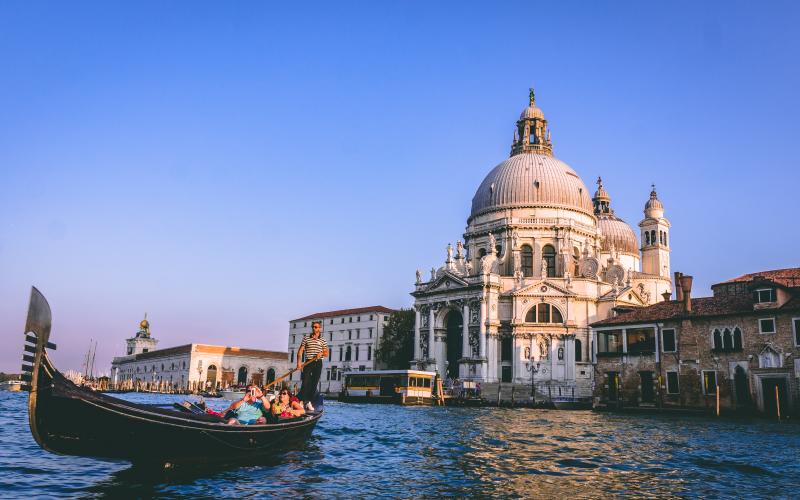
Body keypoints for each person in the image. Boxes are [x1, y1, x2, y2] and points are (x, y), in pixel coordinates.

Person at [296, 320, 329, 411]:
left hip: (318, 363)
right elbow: (300, 351)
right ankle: (302, 401)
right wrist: (299, 363)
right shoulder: (306, 338)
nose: (314, 328)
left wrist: (321, 353)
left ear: (320, 328)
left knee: (314, 383)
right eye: (313, 327)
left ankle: (308, 401)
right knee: (305, 381)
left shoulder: (323, 340)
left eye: (316, 327)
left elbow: (327, 353)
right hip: (308, 362)